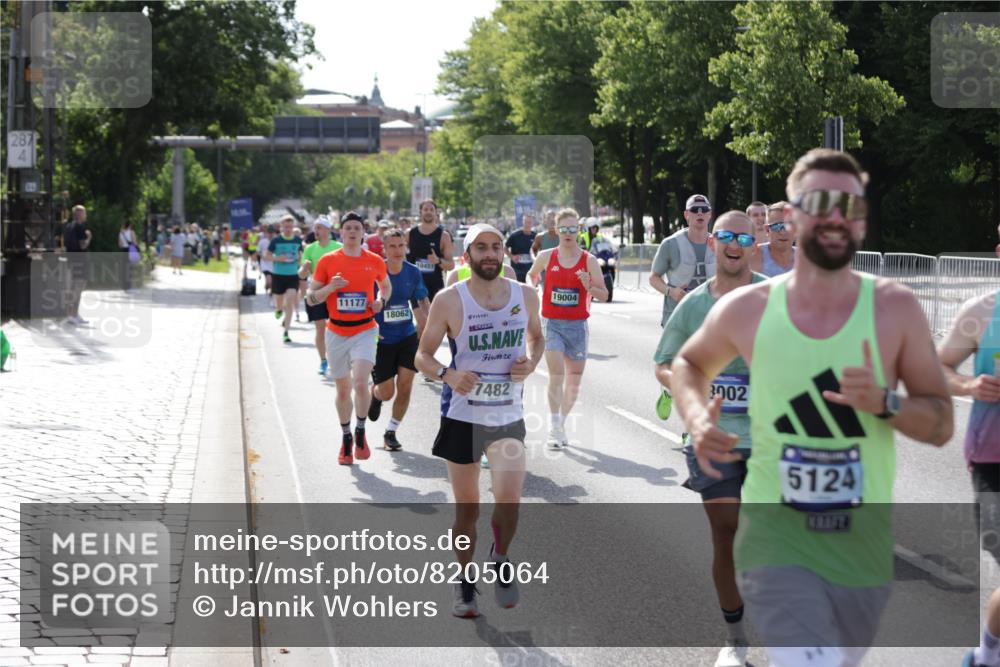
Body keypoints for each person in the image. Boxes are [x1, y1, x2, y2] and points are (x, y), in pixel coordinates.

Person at [670, 149, 953, 667]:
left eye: (849, 205)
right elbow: (687, 364)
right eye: (819, 203)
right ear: (791, 219)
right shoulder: (750, 308)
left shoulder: (896, 309)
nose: (834, 217)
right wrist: (694, 415)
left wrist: (885, 402)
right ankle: (738, 638)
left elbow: (940, 424)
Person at [414, 223, 544, 618]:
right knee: (467, 510)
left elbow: (538, 338)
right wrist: (448, 375)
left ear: (504, 253)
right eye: (481, 248)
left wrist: (530, 363)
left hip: (507, 414)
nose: (490, 254)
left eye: (496, 247)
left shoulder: (525, 295)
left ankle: (499, 556)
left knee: (509, 501)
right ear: (467, 255)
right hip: (463, 416)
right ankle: (464, 578)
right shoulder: (449, 300)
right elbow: (422, 356)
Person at [654, 211, 764, 667]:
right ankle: (735, 637)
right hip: (710, 437)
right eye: (726, 237)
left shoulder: (775, 299)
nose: (735, 245)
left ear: (754, 245)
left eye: (744, 238)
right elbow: (663, 363)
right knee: (725, 531)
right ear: (713, 242)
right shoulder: (694, 305)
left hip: (771, 439)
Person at [307, 211, 391, 465]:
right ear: (341, 233)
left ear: (363, 232)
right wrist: (331, 287)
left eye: (357, 228)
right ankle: (346, 437)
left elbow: (386, 286)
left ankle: (360, 430)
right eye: (348, 228)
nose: (353, 231)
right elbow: (311, 298)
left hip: (365, 329)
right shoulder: (327, 261)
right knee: (343, 391)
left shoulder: (374, 260)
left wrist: (380, 301)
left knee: (361, 382)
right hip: (336, 332)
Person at [526, 208, 608, 449]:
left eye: (573, 228)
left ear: (579, 230)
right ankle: (554, 427)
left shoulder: (589, 261)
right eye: (564, 229)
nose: (569, 233)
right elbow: (532, 275)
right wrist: (534, 285)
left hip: (577, 326)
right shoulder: (546, 256)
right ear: (557, 230)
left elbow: (604, 294)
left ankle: (561, 422)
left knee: (574, 380)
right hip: (552, 323)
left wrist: (589, 286)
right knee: (557, 374)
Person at [368, 230, 431, 451]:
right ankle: (375, 394)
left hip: (406, 336)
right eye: (392, 246)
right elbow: (366, 303)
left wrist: (430, 324)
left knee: (405, 386)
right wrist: (370, 329)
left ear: (406, 247)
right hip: (381, 339)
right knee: (387, 393)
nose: (397, 250)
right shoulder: (375, 273)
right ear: (384, 249)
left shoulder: (413, 272)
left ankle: (391, 432)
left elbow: (421, 300)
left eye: (401, 245)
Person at [649, 194, 716, 327]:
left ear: (710, 214)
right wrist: (671, 291)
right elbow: (653, 278)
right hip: (677, 318)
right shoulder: (670, 244)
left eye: (704, 209)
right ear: (686, 215)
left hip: (709, 319)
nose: (700, 213)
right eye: (694, 209)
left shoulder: (719, 244)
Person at [299, 216, 343, 376]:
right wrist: (305, 268)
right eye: (315, 227)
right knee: (320, 328)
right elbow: (301, 275)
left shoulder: (338, 247)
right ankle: (323, 361)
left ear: (328, 229)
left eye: (319, 227)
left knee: (337, 328)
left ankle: (338, 358)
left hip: (335, 293)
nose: (316, 230)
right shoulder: (310, 248)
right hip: (317, 293)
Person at [264, 216, 303, 343]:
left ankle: (286, 332)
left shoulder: (297, 240)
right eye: (286, 227)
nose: (288, 229)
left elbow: (301, 255)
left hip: (292, 275)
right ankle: (279, 310)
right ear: (281, 227)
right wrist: (277, 258)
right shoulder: (276, 240)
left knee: (290, 301)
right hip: (278, 275)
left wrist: (300, 260)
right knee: (279, 302)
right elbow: (267, 256)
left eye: (290, 227)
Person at [63, 205, 92, 324]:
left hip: (71, 259)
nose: (86, 215)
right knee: (78, 287)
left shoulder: (69, 226)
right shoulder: (79, 227)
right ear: (79, 214)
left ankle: (73, 314)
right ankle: (72, 314)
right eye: (84, 213)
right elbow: (83, 245)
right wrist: (89, 237)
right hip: (80, 260)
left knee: (73, 287)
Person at [751, 202, 796, 277]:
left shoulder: (807, 258)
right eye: (776, 226)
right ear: (767, 230)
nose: (782, 232)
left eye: (788, 226)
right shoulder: (755, 255)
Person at [505, 214, 537, 283]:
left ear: (532, 223)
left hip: (531, 269)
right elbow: (505, 248)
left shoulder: (535, 236)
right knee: (518, 288)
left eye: (529, 222)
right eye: (526, 222)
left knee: (531, 288)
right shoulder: (515, 235)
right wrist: (512, 257)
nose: (527, 224)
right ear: (523, 222)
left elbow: (539, 250)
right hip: (517, 270)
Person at [118, 221, 138, 291]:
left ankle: (124, 286)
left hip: (123, 250)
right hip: (130, 251)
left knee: (124, 268)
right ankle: (129, 286)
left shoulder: (121, 233)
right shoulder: (131, 232)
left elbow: (120, 245)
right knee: (130, 268)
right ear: (129, 225)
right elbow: (135, 242)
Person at [257, 227, 274, 306]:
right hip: (265, 263)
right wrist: (262, 256)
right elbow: (258, 251)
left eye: (272, 233)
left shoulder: (275, 241)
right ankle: (267, 288)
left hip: (273, 264)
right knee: (269, 281)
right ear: (267, 233)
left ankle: (271, 293)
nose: (270, 234)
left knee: (272, 282)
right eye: (269, 233)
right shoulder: (262, 241)